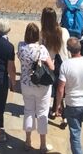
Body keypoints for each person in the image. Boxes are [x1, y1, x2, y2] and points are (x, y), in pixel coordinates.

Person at [54, 37, 83, 154]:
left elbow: (60, 89)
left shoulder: (65, 65)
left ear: (68, 50)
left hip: (73, 104)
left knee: (75, 134)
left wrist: (57, 105)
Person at [17, 22, 55, 152]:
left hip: (26, 83)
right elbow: (52, 67)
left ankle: (28, 140)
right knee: (42, 113)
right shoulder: (42, 49)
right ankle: (43, 144)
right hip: (41, 86)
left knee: (28, 111)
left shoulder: (21, 47)